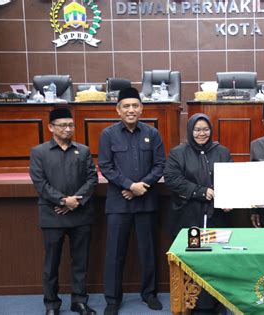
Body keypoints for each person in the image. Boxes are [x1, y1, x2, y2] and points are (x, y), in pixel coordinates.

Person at [98, 87, 166, 315]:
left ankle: (149, 294)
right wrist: (129, 186)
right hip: (119, 204)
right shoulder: (108, 134)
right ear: (118, 110)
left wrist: (140, 187)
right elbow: (105, 167)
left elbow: (159, 165)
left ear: (141, 108)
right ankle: (112, 299)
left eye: (135, 105)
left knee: (148, 251)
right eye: (126, 106)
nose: (131, 110)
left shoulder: (152, 133)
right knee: (115, 253)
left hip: (145, 203)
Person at [29, 108, 98, 315]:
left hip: (80, 213)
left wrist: (75, 201)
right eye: (63, 125)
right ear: (51, 127)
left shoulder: (83, 150)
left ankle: (79, 301)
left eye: (71, 125)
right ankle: (51, 304)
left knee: (80, 261)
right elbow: (40, 183)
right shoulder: (39, 152)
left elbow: (92, 179)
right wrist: (62, 200)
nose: (68, 129)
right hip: (53, 215)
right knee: (51, 263)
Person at [164, 113, 232, 314]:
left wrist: (229, 199)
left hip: (216, 217)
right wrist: (200, 191)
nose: (202, 133)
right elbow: (172, 179)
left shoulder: (222, 151)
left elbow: (231, 180)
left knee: (216, 260)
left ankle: (217, 302)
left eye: (205, 129)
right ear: (190, 131)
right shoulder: (178, 153)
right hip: (189, 217)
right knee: (192, 259)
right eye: (197, 129)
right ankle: (191, 303)